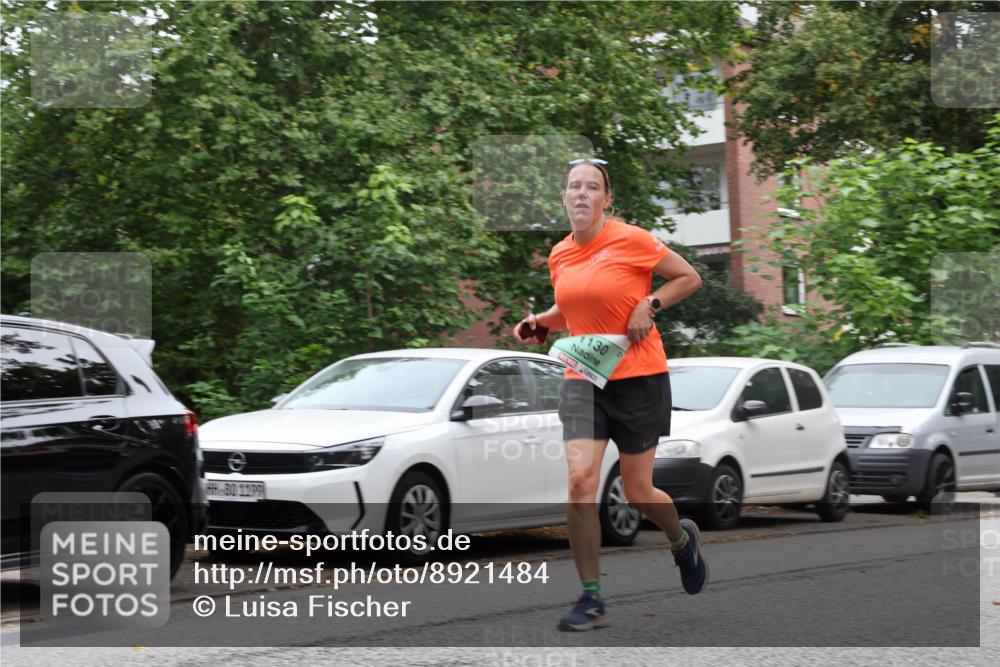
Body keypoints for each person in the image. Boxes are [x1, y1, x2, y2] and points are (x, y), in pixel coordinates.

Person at [513, 158, 707, 632]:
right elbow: (572, 306)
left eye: (591, 187)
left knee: (638, 492)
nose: (581, 193)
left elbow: (689, 277)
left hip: (639, 376)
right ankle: (591, 598)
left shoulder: (632, 239)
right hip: (584, 378)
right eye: (573, 186)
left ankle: (681, 538)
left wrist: (649, 303)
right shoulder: (560, 254)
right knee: (581, 482)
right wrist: (542, 321)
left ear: (605, 199)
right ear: (563, 198)